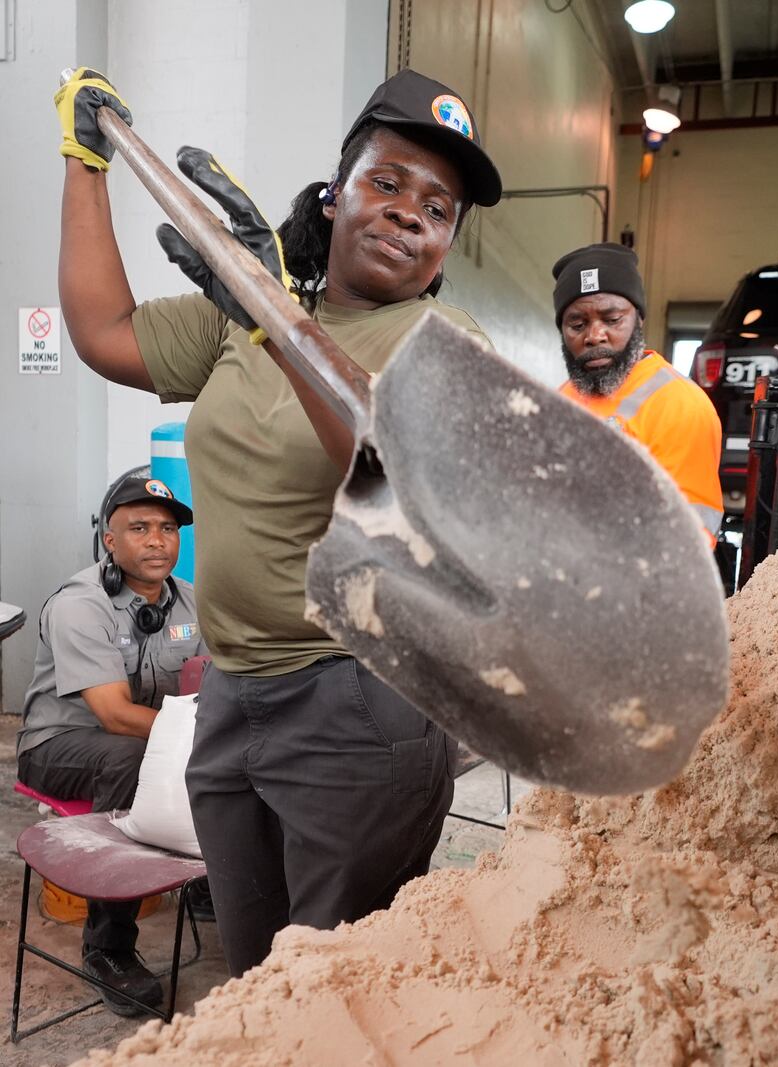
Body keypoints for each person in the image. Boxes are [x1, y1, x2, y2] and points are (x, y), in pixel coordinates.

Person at [54, 66, 502, 977]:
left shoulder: (446, 346)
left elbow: (396, 473)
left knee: (337, 984)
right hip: (231, 689)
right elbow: (104, 331)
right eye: (387, 182)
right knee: (255, 972)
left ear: (446, 247)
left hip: (364, 704)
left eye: (439, 207)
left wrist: (274, 325)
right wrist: (84, 162)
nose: (411, 212)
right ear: (336, 196)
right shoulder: (244, 310)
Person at [17, 475, 206, 1015]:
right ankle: (108, 948)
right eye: (139, 528)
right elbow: (114, 716)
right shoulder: (81, 604)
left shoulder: (191, 603)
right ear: (109, 539)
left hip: (148, 743)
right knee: (134, 757)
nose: (157, 540)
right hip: (59, 744)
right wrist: (201, 736)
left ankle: (211, 883)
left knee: (241, 743)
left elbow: (223, 682)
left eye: (167, 529)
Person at [552, 243, 724, 544]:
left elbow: (691, 536)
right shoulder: (560, 399)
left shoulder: (680, 405)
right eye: (577, 324)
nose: (594, 336)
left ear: (638, 319)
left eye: (612, 320)